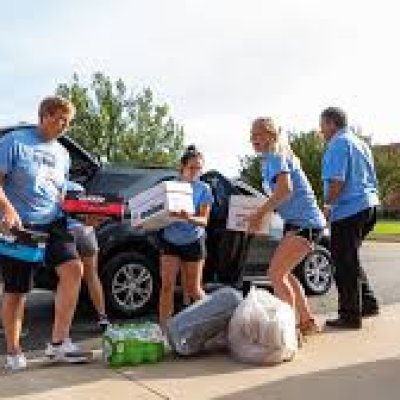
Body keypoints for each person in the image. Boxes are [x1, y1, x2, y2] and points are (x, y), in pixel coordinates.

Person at [0, 96, 87, 370]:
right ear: (46, 115)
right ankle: (14, 351)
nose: (64, 126)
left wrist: (82, 214)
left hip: (54, 222)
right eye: (61, 119)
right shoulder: (15, 141)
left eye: (68, 122)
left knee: (74, 269)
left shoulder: (63, 154)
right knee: (17, 291)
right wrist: (7, 209)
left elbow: (60, 196)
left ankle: (58, 344)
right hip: (22, 225)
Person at [247, 117, 326, 336]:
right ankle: (307, 322)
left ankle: (288, 332)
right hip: (300, 224)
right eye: (251, 135)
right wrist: (260, 216)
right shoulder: (272, 158)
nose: (252, 139)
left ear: (271, 135)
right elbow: (281, 197)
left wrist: (259, 214)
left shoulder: (275, 156)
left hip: (305, 223)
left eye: (257, 134)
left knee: (275, 274)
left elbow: (285, 190)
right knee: (286, 274)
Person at [320, 107, 380, 330]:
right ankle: (368, 303)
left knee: (343, 263)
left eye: (322, 125)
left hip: (349, 210)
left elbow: (337, 181)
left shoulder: (337, 144)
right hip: (369, 206)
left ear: (331, 123)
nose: (321, 130)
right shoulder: (360, 143)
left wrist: (326, 207)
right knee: (350, 258)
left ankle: (350, 315)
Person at [158, 145, 214, 328]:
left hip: (193, 240)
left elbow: (204, 220)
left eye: (199, 168)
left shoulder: (204, 189)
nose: (196, 172)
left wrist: (188, 217)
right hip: (170, 240)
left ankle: (212, 323)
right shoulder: (170, 187)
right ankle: (164, 330)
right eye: (192, 168)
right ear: (181, 167)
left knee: (193, 289)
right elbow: (155, 213)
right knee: (167, 287)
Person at [64, 181, 110, 331]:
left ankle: (65, 322)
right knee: (92, 276)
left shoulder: (56, 186)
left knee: (68, 279)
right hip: (86, 232)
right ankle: (102, 317)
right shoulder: (78, 187)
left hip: (66, 233)